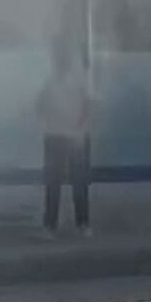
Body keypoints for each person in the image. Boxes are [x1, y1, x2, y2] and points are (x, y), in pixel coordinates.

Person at [38, 43, 91, 236]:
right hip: (69, 136)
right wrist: (80, 130)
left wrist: (48, 123)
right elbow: (87, 107)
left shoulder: (53, 81)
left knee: (57, 183)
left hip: (60, 136)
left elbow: (40, 106)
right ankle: (81, 224)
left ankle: (52, 226)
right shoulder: (75, 81)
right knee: (74, 183)